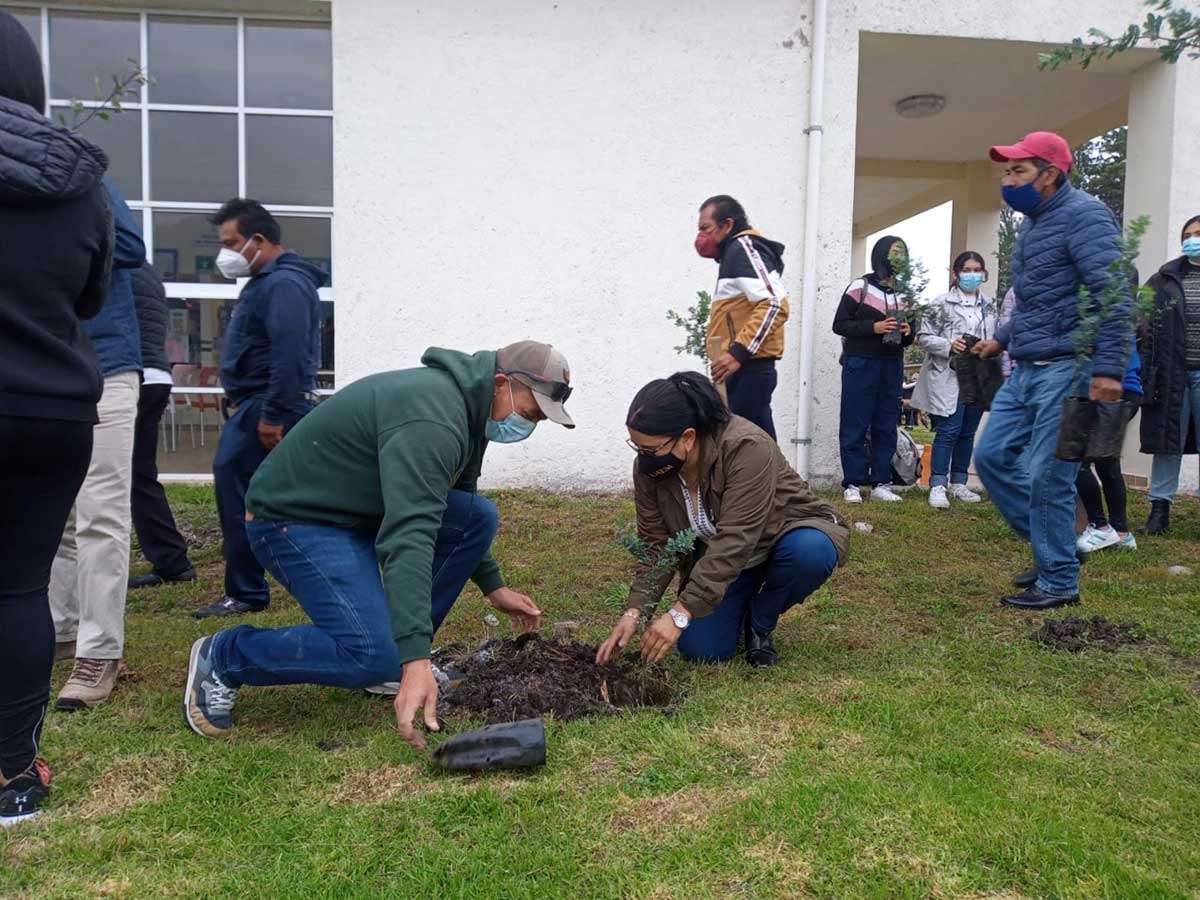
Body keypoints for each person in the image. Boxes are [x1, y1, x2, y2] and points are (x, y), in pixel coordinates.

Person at [184, 342, 573, 747]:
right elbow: (411, 533)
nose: (530, 425)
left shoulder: (471, 409)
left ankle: (397, 660)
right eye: (531, 412)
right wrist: (415, 657)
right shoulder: (434, 419)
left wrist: (493, 586)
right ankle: (227, 655)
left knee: (476, 516)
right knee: (371, 652)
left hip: (356, 511)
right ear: (500, 383)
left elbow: (452, 503)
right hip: (295, 519)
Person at [0, 12, 113, 823]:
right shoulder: (80, 182)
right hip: (49, 408)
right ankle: (12, 775)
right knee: (17, 590)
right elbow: (90, 297)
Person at [972, 132, 1131, 610]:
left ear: (1050, 174)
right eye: (1006, 171)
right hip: (1026, 368)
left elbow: (1113, 295)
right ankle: (1057, 549)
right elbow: (1040, 299)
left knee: (1049, 475)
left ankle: (1059, 579)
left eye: (1018, 171)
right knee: (994, 457)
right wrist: (1001, 337)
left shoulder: (1085, 216)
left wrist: (1107, 369)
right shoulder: (1032, 225)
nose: (1008, 180)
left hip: (1071, 368)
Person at [595, 373, 848, 668]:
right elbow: (657, 546)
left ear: (687, 438)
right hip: (726, 556)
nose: (643, 457)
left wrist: (680, 612)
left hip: (781, 534)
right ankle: (740, 603)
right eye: (637, 447)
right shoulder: (651, 470)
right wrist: (635, 612)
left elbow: (736, 538)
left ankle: (761, 618)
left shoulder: (746, 447)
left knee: (811, 552)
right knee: (703, 650)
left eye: (651, 450)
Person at [192, 199, 324, 619]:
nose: (225, 253)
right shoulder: (269, 282)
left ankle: (246, 591)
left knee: (238, 495)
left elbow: (289, 354)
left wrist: (271, 415)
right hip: (260, 407)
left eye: (231, 242)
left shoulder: (283, 285)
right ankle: (256, 585)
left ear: (259, 240)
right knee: (278, 498)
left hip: (265, 410)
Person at [49, 177, 146, 710]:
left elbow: (131, 248)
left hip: (106, 366)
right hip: (44, 366)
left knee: (100, 511)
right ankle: (63, 631)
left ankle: (100, 650)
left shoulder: (84, 180)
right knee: (58, 512)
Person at [695, 195, 789, 438]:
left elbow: (775, 303)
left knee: (747, 445)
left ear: (727, 224)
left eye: (705, 228)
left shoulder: (744, 248)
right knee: (755, 443)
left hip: (749, 368)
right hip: (740, 370)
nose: (700, 237)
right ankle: (776, 477)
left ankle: (773, 478)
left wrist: (738, 353)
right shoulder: (733, 255)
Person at [832, 235, 915, 503]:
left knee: (886, 423)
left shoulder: (906, 293)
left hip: (892, 364)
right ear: (881, 254)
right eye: (894, 252)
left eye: (903, 253)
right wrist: (873, 328)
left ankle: (881, 482)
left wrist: (907, 332)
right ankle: (853, 483)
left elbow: (911, 337)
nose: (899, 258)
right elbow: (840, 324)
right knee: (855, 421)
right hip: (860, 363)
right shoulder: (860, 286)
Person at [128, 262, 196, 589]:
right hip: (154, 374)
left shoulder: (116, 264)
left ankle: (170, 559)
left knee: (115, 477)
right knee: (138, 475)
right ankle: (171, 560)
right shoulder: (147, 272)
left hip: (129, 376)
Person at [911, 251, 997, 509]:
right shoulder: (940, 304)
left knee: (968, 431)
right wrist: (949, 344)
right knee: (949, 429)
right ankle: (938, 483)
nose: (973, 275)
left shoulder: (989, 304)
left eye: (977, 270)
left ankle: (959, 482)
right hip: (949, 373)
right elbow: (923, 337)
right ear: (956, 274)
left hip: (978, 374)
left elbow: (997, 336)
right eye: (967, 270)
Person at [1138, 214, 1200, 535]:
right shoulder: (1163, 279)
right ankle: (1159, 509)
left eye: (1199, 234)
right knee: (1168, 442)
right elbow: (1139, 321)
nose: (1193, 239)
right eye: (1188, 234)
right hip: (1173, 374)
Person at [1076, 346, 1143, 553]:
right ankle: (1119, 533)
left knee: (1076, 461)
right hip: (1119, 389)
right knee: (1106, 462)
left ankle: (1101, 527)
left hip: (1109, 389)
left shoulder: (1106, 316)